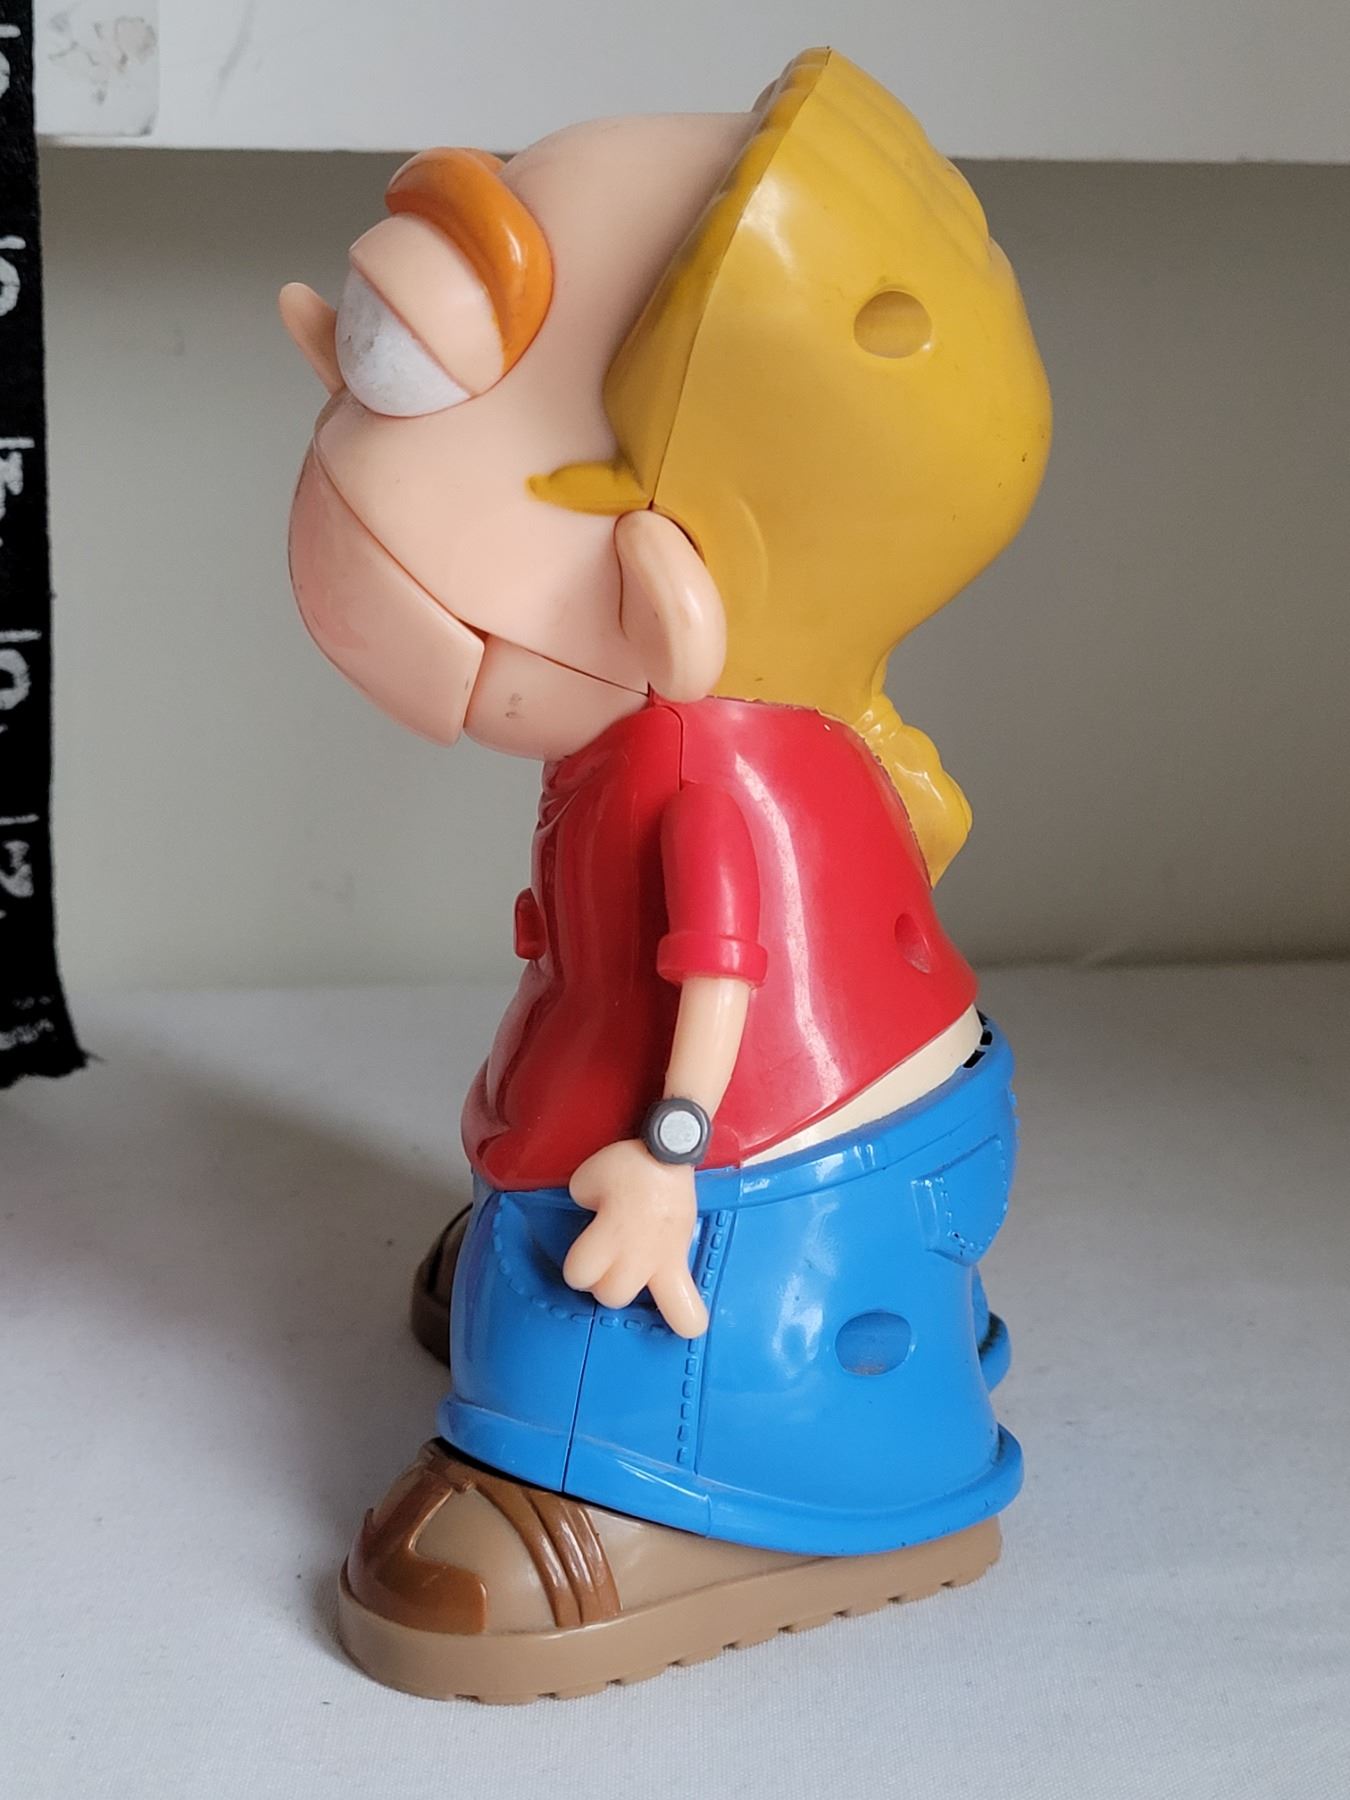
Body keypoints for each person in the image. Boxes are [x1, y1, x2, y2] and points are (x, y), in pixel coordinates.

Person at [281, 47, 1051, 1701]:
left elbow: (727, 979)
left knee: (566, 1353)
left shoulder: (716, 772)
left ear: (664, 589)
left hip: (769, 1172)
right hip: (699, 1114)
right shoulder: (669, 738)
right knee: (527, 1249)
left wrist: (667, 1165)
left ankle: (713, 1464)